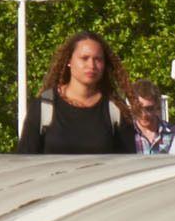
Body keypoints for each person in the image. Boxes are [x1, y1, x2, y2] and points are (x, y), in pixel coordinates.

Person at [13, 30, 143, 154]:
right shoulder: (44, 106)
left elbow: (127, 164)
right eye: (84, 58)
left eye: (98, 59)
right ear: (69, 61)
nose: (91, 65)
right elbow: (25, 159)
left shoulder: (115, 109)